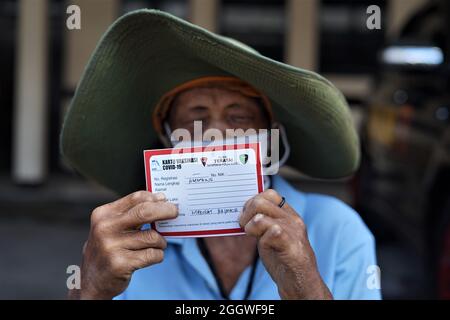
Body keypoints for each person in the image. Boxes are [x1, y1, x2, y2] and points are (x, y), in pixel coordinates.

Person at [61, 10, 381, 300]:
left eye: (238, 116)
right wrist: (90, 289)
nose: (215, 133)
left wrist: (305, 285)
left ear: (269, 139)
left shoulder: (337, 229)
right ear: (166, 139)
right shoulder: (127, 245)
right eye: (193, 119)